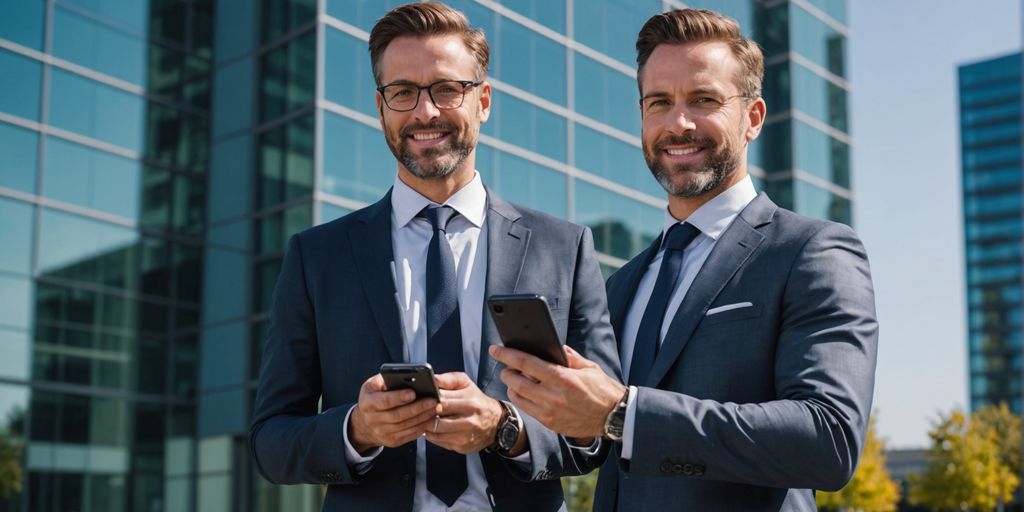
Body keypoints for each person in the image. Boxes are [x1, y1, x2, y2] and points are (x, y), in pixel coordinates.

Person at [490, 8, 878, 510]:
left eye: (704, 100)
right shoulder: (623, 283)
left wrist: (622, 413)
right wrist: (507, 423)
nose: (678, 123)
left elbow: (829, 438)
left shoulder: (812, 251)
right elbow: (593, 443)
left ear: (753, 118)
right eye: (659, 103)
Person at [248, 3, 619, 511]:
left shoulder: (565, 247)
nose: (425, 112)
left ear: (483, 101)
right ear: (380, 109)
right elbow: (270, 441)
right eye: (403, 92)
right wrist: (357, 429)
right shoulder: (317, 257)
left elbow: (601, 431)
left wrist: (503, 427)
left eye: (447, 89)